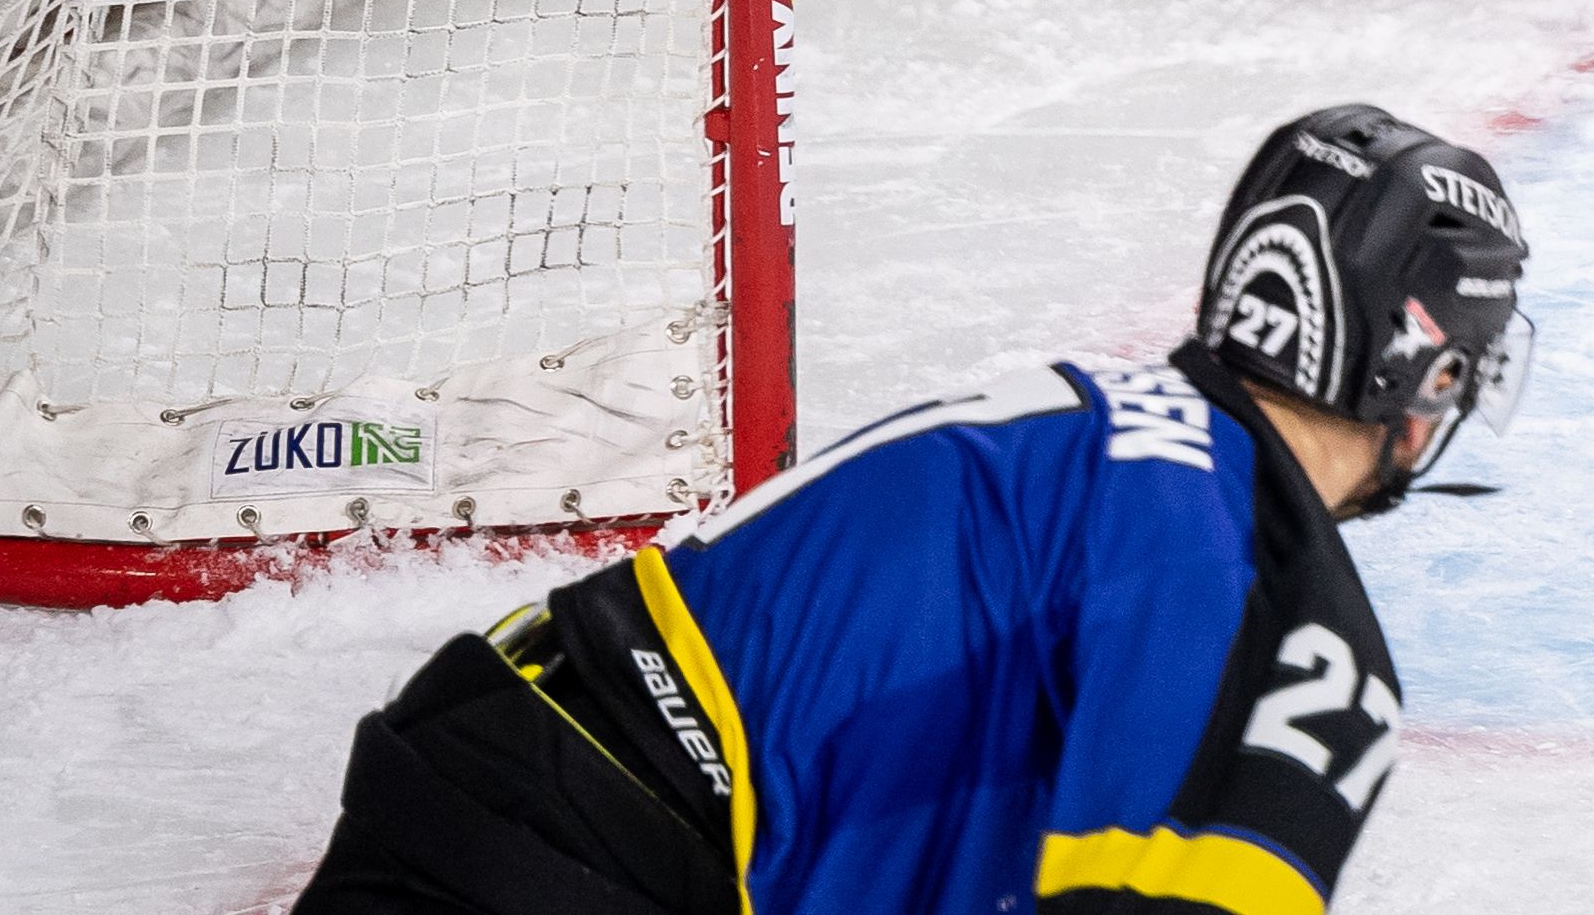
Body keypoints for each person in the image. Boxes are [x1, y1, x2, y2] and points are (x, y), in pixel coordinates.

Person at [291, 103, 1531, 915]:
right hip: (587, 857)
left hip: (490, 760)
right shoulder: (1291, 623)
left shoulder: (1084, 416)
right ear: (1422, 372)